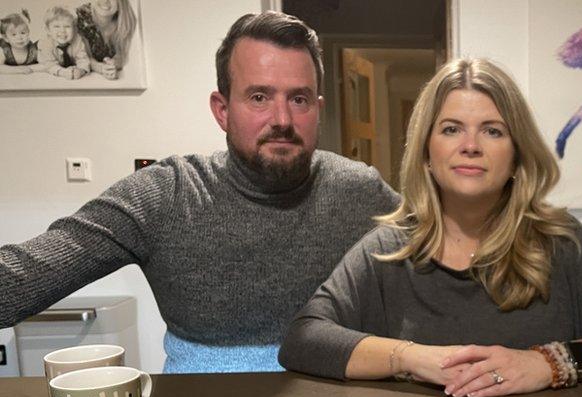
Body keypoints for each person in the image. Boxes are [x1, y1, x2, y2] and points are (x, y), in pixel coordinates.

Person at [0, 12, 399, 372]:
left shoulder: (358, 190)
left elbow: (444, 248)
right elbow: (21, 277)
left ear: (318, 108)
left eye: (299, 99)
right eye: (259, 97)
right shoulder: (166, 195)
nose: (282, 119)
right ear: (222, 109)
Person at [278, 58, 582, 397]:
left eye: (493, 131)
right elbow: (303, 339)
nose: (470, 146)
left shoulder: (560, 242)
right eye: (452, 129)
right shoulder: (388, 249)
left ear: (518, 156)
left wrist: (549, 363)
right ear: (425, 153)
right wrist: (409, 357)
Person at [74, 0, 136, 80]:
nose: (105, 1)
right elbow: (82, 56)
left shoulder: (125, 23)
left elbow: (124, 54)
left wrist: (114, 63)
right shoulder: (83, 19)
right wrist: (101, 68)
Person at [37, 6, 90, 79]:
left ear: (74, 29)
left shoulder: (77, 40)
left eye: (67, 26)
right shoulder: (45, 44)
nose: (62, 31)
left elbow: (83, 59)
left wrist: (81, 70)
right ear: (48, 30)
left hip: (67, 66)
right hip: (38, 60)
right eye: (57, 26)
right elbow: (49, 65)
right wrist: (62, 72)